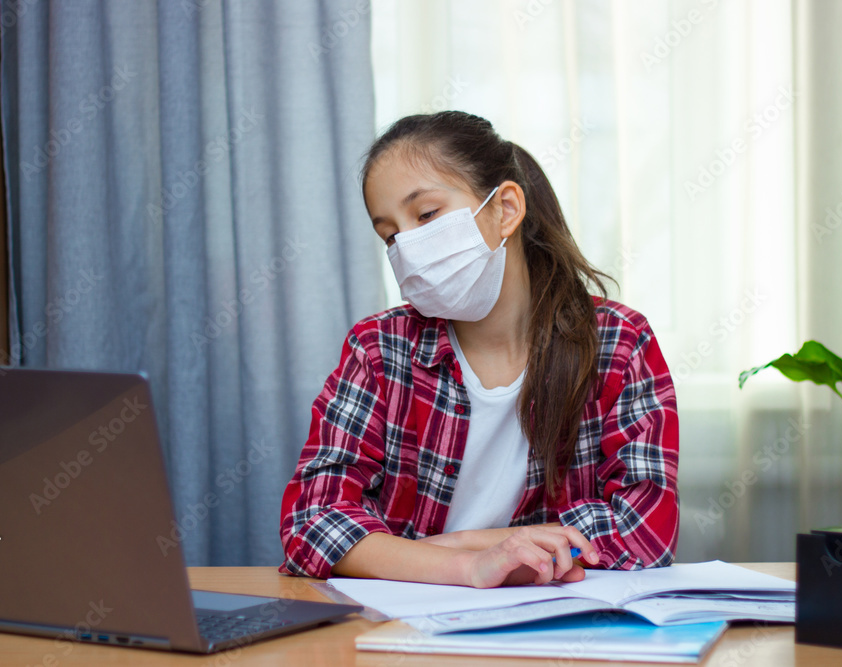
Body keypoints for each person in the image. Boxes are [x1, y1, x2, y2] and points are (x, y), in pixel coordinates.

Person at [279, 111, 678, 588]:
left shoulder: (620, 342)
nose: (407, 245)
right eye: (390, 234)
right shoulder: (378, 348)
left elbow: (645, 529)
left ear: (505, 208)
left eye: (426, 214)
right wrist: (471, 565)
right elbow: (311, 521)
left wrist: (458, 543)